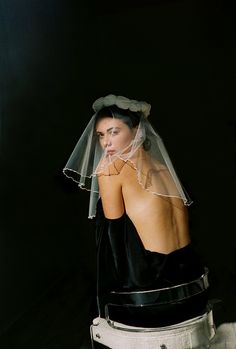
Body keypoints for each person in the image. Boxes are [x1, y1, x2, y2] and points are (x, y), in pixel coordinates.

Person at [63, 94, 215, 348]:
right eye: (101, 135)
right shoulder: (164, 168)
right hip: (194, 289)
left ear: (137, 130)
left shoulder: (111, 170)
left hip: (154, 301)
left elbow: (113, 244)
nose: (106, 143)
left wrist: (103, 305)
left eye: (113, 132)